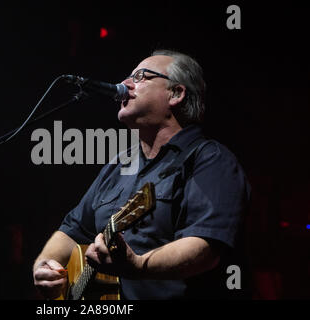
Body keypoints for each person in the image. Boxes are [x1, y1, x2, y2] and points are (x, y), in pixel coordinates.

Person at [32, 49, 251, 299]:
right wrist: (45, 265)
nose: (124, 84)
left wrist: (138, 266)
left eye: (141, 76)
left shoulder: (210, 160)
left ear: (176, 93)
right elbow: (72, 229)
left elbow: (206, 246)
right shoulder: (118, 166)